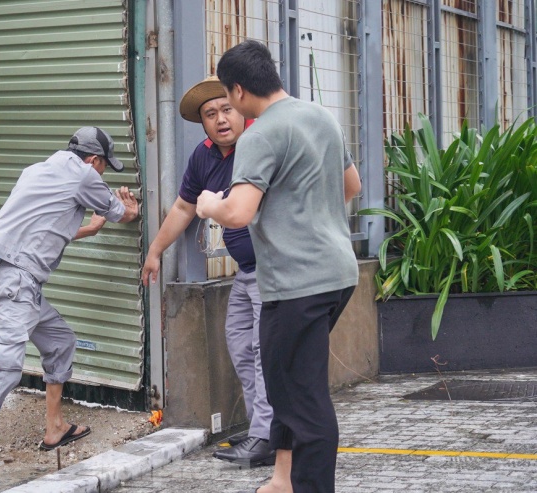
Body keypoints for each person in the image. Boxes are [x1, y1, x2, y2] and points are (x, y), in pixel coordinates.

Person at [196, 40, 362, 493]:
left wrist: (210, 202)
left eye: (228, 99)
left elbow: (239, 213)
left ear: (239, 90)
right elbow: (352, 185)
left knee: (301, 397)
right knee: (287, 380)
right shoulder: (321, 116)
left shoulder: (261, 133)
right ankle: (283, 479)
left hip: (296, 284)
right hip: (337, 274)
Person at [0, 127, 139, 479]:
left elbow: (45, 227)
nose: (101, 173)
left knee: (60, 341)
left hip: (16, 280)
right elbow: (120, 213)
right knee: (7, 367)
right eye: (103, 167)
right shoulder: (83, 174)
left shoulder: (36, 171)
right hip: (16, 282)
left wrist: (90, 228)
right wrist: (129, 208)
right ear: (94, 159)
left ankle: (55, 428)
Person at [142, 76, 275, 467]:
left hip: (275, 268)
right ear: (202, 123)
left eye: (226, 110)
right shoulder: (203, 156)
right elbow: (184, 207)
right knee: (240, 345)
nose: (220, 120)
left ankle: (268, 436)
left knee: (264, 352)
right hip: (246, 272)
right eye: (210, 114)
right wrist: (155, 250)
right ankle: (260, 430)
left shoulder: (260, 143)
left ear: (241, 106)